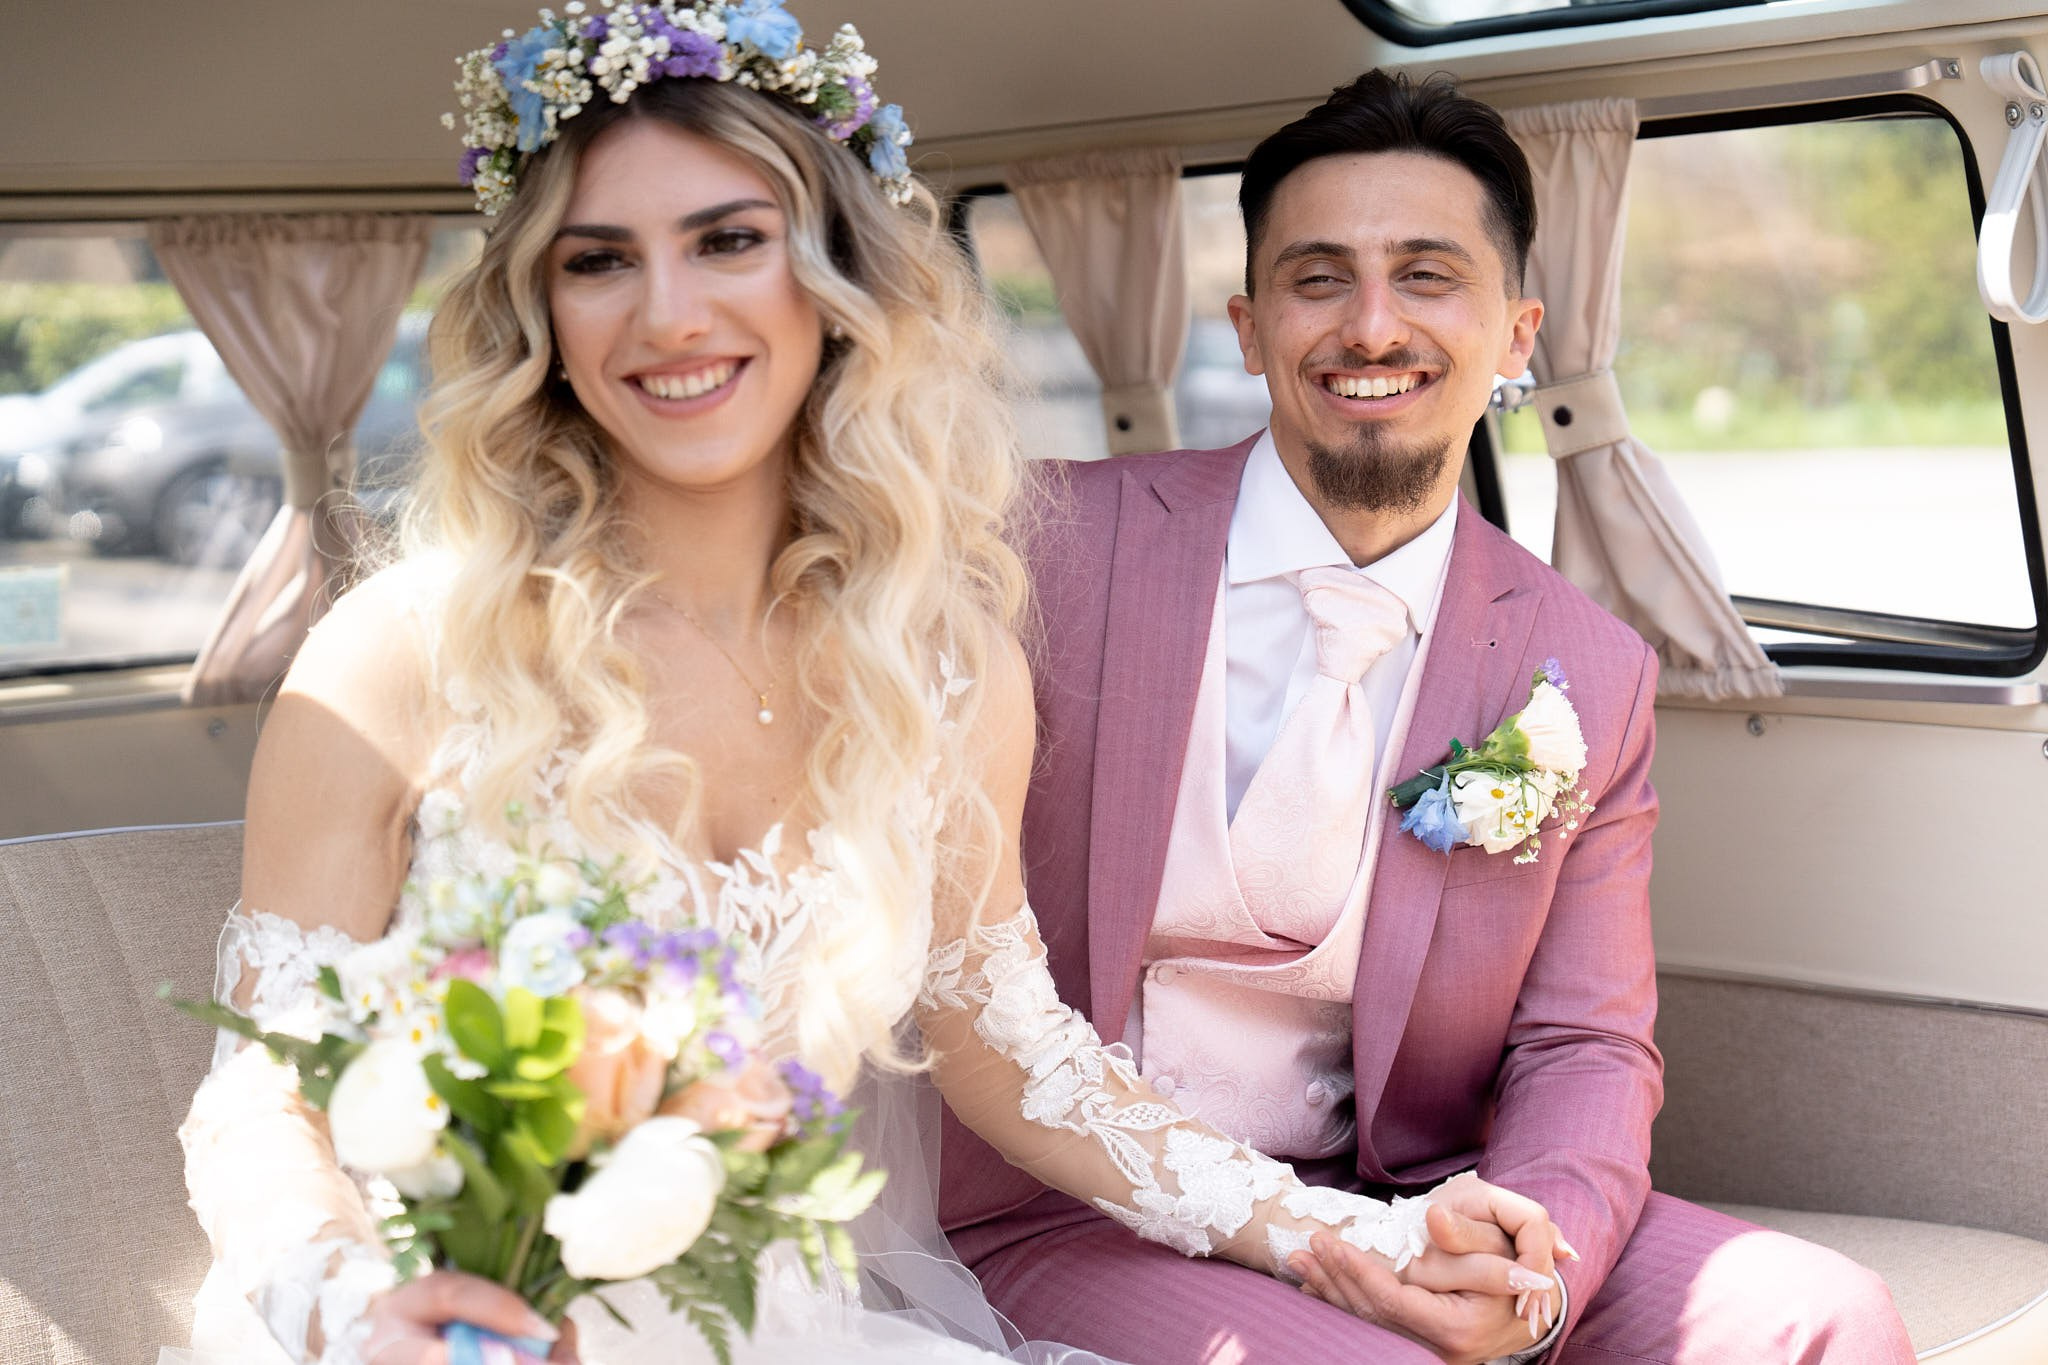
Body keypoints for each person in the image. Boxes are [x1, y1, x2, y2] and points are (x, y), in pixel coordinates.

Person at [162, 12, 1567, 1365]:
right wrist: (345, 1304)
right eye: (598, 260)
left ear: (837, 285)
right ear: (541, 306)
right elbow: (264, 1088)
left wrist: (1341, 1233)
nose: (668, 314)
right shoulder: (402, 653)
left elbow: (1013, 1058)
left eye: (729, 241)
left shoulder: (939, 667)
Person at [940, 69, 1919, 1365]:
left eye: (1427, 275)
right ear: (1247, 324)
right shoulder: (1045, 549)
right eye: (1319, 277)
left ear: (1518, 334)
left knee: (1824, 1317)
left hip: (1404, 1190)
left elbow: (1585, 1043)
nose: (1372, 324)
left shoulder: (1589, 667)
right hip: (1078, 1208)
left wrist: (1531, 1259)